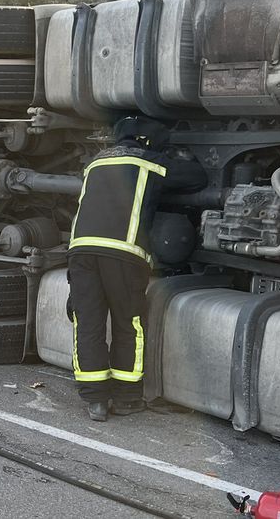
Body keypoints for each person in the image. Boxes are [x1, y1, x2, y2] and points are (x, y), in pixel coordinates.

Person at [66, 116, 207, 422]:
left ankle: (95, 401)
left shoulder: (95, 163)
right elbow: (197, 178)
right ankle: (128, 398)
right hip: (123, 252)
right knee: (128, 323)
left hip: (80, 251)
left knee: (86, 321)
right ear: (149, 141)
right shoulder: (150, 163)